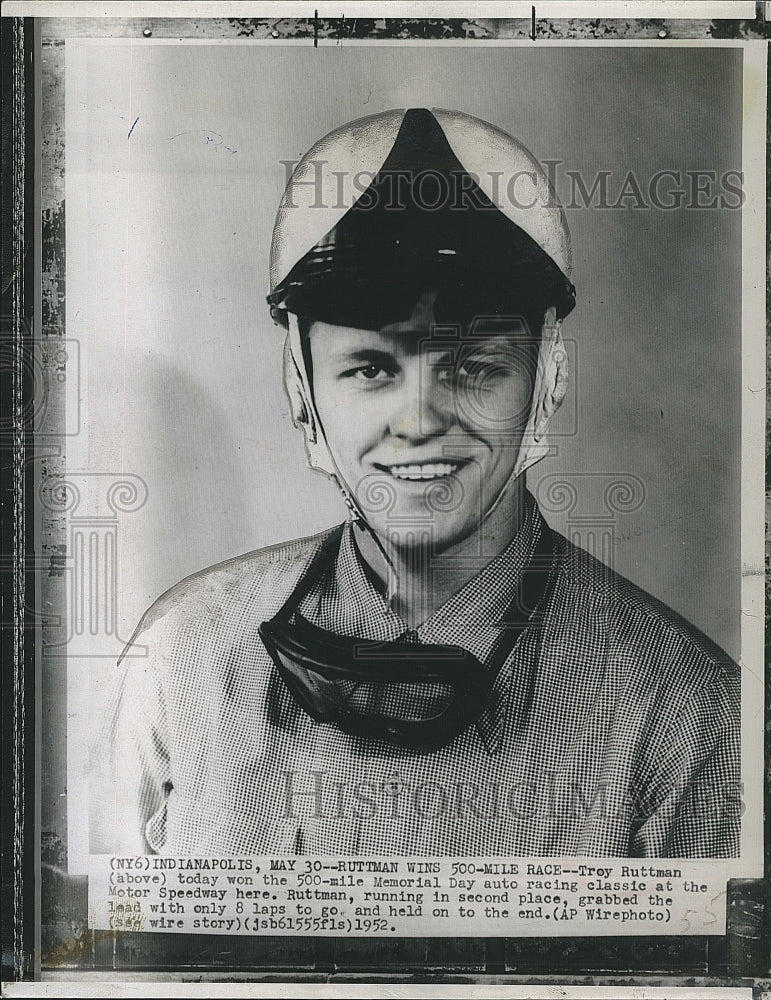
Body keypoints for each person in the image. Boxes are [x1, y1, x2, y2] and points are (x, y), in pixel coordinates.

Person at [91, 108, 740, 858]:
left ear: (549, 377)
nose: (420, 421)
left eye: (474, 368)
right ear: (300, 388)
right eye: (372, 368)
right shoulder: (181, 658)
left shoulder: (686, 713)